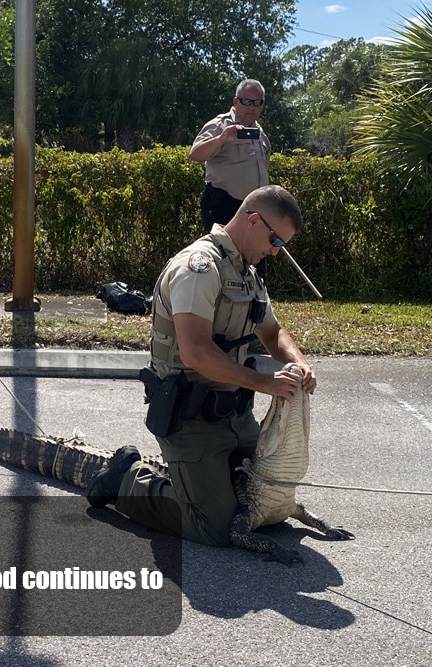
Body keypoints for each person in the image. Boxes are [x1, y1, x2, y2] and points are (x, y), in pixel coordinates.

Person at [86, 185, 316, 549]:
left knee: (264, 501)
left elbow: (273, 332)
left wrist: (299, 363)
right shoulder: (199, 268)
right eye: (276, 240)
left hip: (234, 418)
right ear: (254, 220)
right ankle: (126, 479)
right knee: (217, 525)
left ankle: (198, 481)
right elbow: (195, 353)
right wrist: (266, 383)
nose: (275, 250)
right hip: (189, 418)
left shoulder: (248, 273)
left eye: (281, 245)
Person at [190, 79, 271, 234]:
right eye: (247, 101)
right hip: (224, 206)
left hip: (254, 209)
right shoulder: (220, 124)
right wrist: (221, 139)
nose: (252, 107)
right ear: (236, 101)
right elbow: (195, 154)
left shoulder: (259, 131)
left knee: (254, 257)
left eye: (257, 102)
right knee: (227, 256)